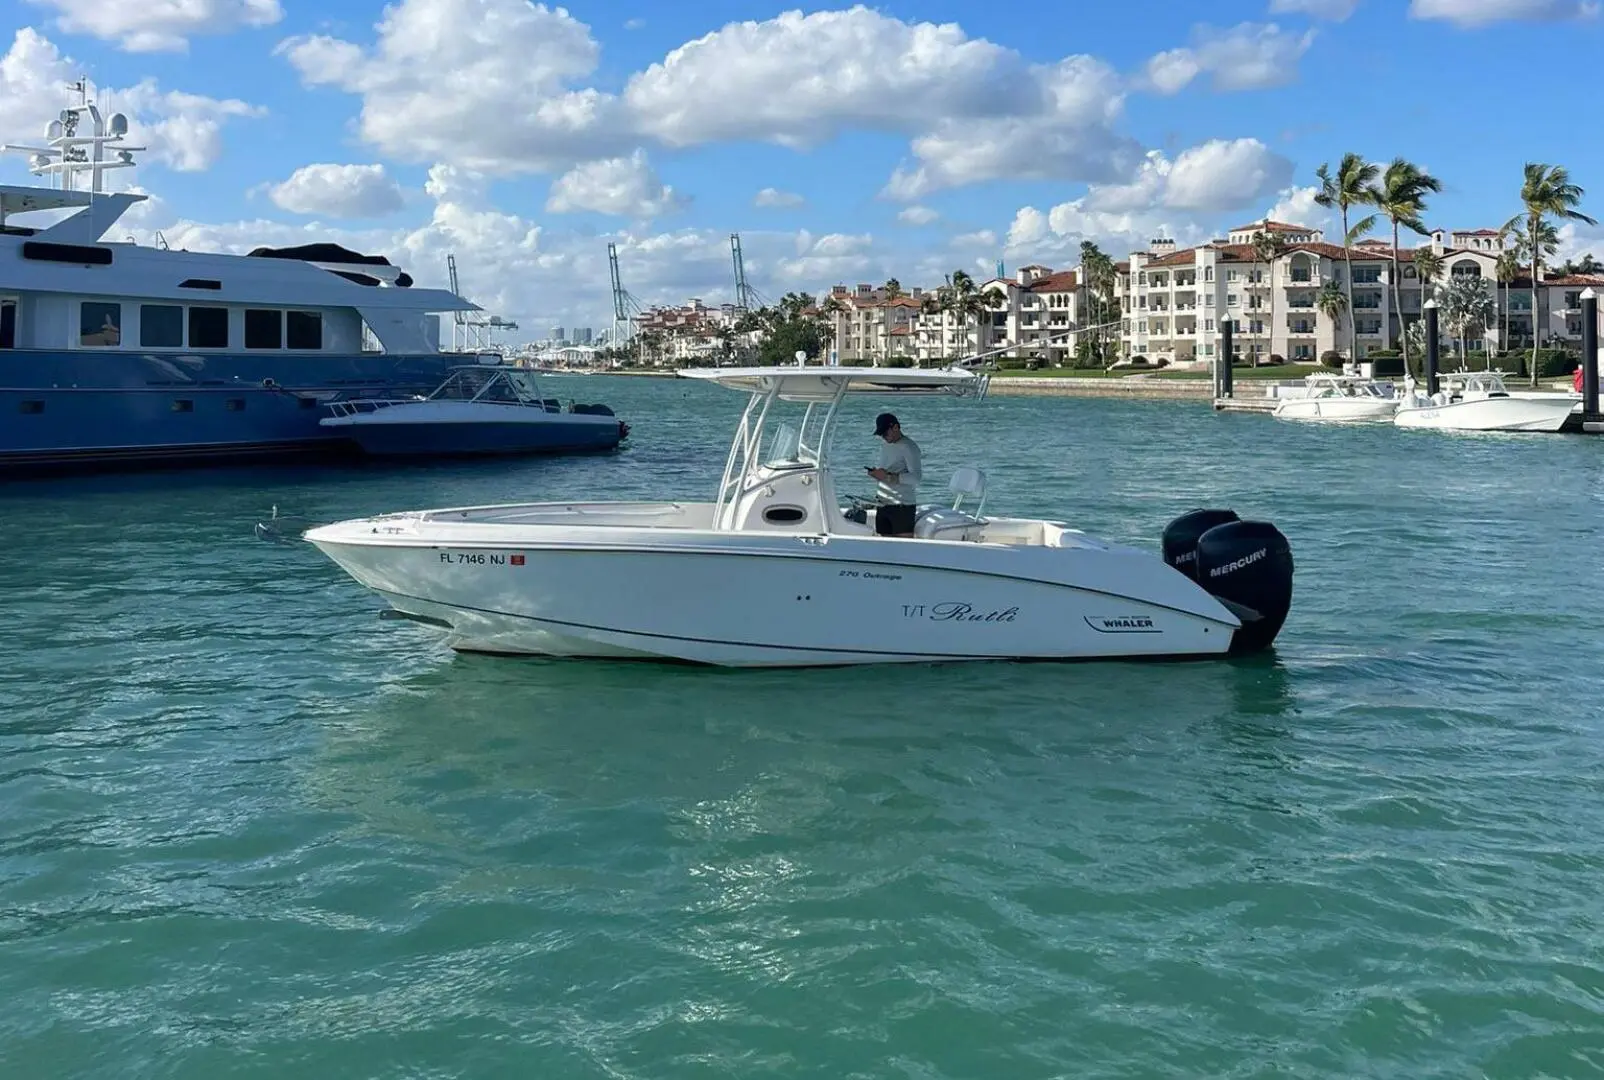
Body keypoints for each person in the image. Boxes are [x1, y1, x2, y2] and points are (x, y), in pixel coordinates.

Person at [868, 412, 921, 537]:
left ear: (896, 427)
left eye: (885, 433)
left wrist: (887, 477)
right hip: (883, 503)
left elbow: (916, 478)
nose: (883, 436)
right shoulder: (886, 445)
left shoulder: (909, 447)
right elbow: (888, 469)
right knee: (884, 548)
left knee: (904, 549)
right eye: (881, 434)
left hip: (902, 506)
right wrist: (877, 474)